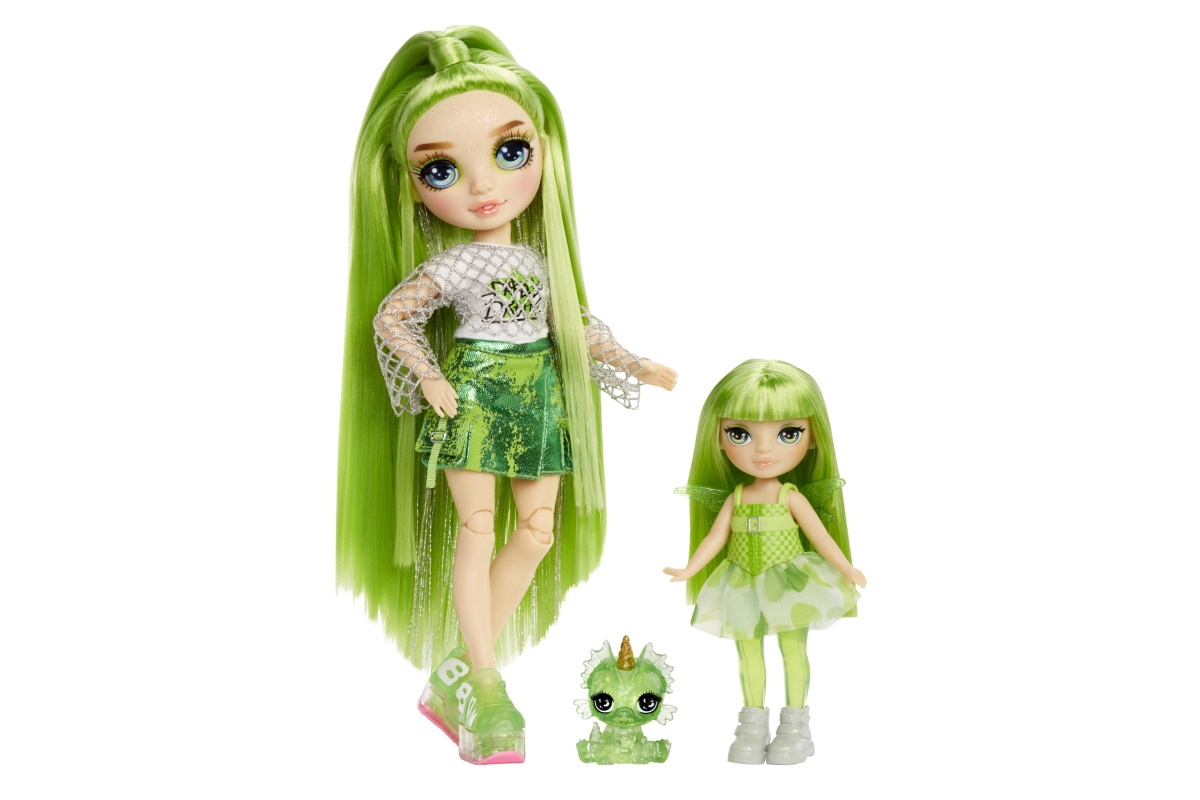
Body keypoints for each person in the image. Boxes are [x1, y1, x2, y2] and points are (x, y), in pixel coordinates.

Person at [337, 26, 677, 765]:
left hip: (537, 395)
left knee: (538, 531)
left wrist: (634, 363)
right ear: (412, 185)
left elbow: (575, 324)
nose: (483, 186)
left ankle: (456, 674)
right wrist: (429, 374)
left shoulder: (541, 261)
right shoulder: (457, 266)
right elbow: (393, 316)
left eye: (510, 152)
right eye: (442, 170)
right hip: (475, 394)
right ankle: (485, 684)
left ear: (543, 153)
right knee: (477, 527)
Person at [665, 360, 863, 765]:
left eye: (788, 433)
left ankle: (796, 726)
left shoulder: (791, 496)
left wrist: (846, 567)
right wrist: (689, 569)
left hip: (791, 582)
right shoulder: (736, 497)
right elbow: (715, 538)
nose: (765, 449)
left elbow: (819, 536)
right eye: (740, 433)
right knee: (748, 653)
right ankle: (752, 725)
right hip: (741, 582)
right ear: (718, 438)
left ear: (813, 438)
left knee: (793, 649)